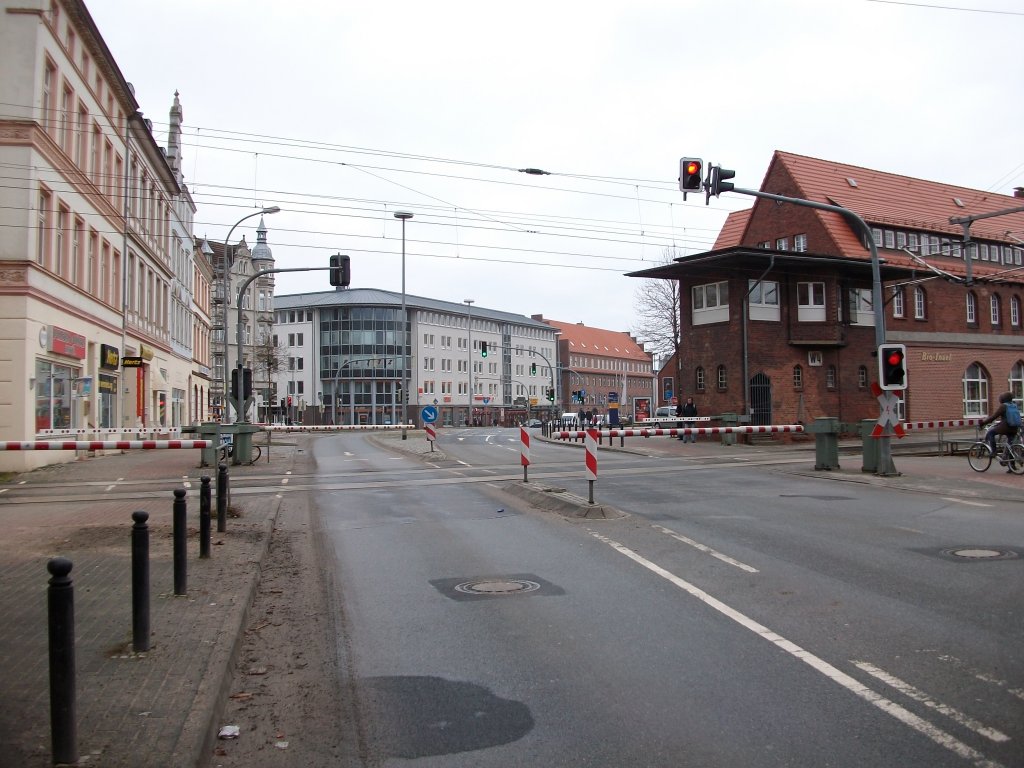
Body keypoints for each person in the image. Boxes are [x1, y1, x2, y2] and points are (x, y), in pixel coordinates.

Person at [980, 391, 1020, 468]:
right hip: (1014, 428)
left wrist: (983, 423)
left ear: (1003, 399)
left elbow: (993, 417)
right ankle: (1012, 466)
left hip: (1006, 428)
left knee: (990, 433)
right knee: (1010, 446)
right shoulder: (1014, 405)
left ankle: (994, 452)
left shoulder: (1003, 406)